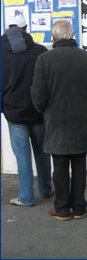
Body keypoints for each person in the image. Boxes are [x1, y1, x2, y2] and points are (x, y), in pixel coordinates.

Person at [31, 20, 87, 221]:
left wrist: (47, 111)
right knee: (80, 165)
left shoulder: (44, 59)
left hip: (56, 123)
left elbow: (37, 96)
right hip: (80, 120)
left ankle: (62, 209)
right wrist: (84, 105)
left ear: (54, 37)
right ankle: (80, 207)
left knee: (60, 166)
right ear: (72, 36)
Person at [2, 14, 53, 207]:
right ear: (26, 28)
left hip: (14, 112)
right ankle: (47, 189)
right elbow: (46, 83)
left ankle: (26, 197)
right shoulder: (40, 51)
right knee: (42, 151)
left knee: (22, 156)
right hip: (37, 111)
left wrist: (4, 106)